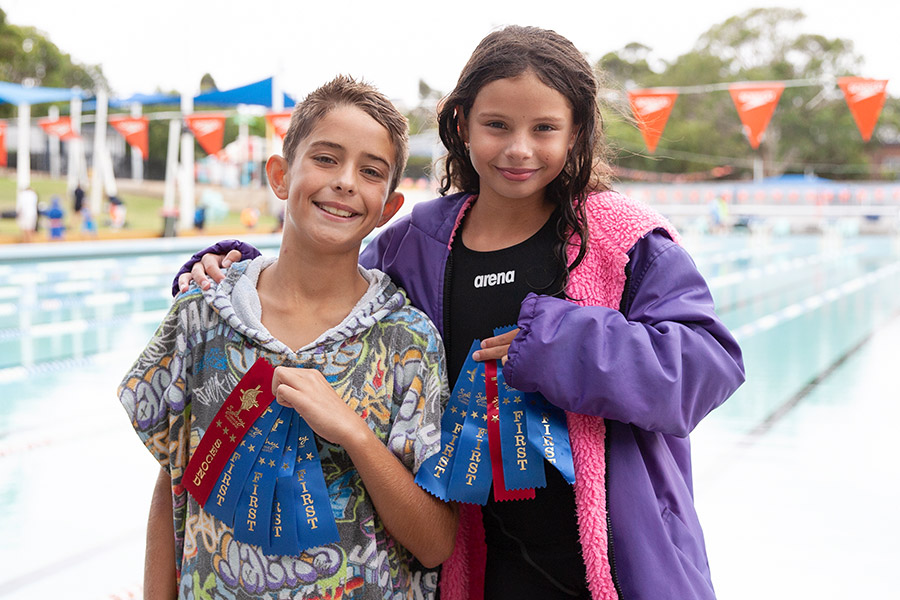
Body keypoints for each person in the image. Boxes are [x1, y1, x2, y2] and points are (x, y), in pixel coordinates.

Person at [173, 26, 745, 600]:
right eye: (497, 125)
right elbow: (331, 288)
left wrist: (561, 342)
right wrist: (235, 272)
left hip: (618, 566)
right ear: (461, 124)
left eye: (544, 128)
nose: (518, 149)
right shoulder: (419, 243)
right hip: (478, 569)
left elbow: (708, 365)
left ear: (575, 134)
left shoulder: (621, 241)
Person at [120, 75, 457, 600]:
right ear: (280, 175)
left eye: (371, 172)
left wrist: (356, 435)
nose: (346, 181)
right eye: (326, 158)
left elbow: (435, 544)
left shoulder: (406, 341)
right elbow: (173, 485)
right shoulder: (202, 317)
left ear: (388, 207)